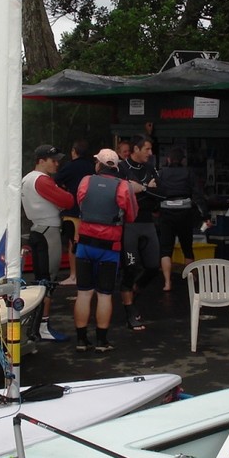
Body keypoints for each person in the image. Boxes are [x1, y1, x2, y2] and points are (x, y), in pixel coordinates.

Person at [73, 149, 138, 353]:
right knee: (104, 295)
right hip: (109, 248)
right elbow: (132, 215)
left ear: (99, 165)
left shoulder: (85, 181)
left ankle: (82, 341)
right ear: (115, 166)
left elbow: (80, 202)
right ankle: (102, 342)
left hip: (85, 245)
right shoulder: (123, 186)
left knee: (83, 294)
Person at [21, 144, 75, 341]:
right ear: (41, 161)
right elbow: (68, 201)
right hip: (48, 230)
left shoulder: (27, 178)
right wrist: (62, 193)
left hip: (37, 229)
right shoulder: (42, 180)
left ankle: (35, 325)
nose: (57, 163)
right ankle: (42, 326)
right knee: (48, 281)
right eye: (53, 160)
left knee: (40, 279)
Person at [117, 134, 160, 330]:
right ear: (136, 149)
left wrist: (140, 189)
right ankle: (129, 311)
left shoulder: (150, 168)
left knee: (152, 266)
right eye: (147, 150)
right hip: (129, 224)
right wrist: (145, 188)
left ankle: (136, 289)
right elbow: (122, 194)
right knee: (130, 267)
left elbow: (160, 193)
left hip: (147, 221)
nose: (150, 154)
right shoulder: (121, 168)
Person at [156, 146, 210, 291]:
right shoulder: (188, 172)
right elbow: (197, 195)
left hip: (166, 212)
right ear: (183, 160)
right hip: (185, 212)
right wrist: (205, 215)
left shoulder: (162, 173)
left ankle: (167, 283)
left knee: (166, 249)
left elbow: (155, 193)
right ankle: (190, 280)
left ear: (168, 159)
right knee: (187, 247)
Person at [54, 140, 91, 286]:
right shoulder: (91, 166)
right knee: (86, 243)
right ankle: (86, 274)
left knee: (73, 243)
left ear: (74, 151)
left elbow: (55, 181)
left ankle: (74, 275)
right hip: (89, 211)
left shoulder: (70, 166)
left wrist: (65, 188)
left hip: (73, 210)